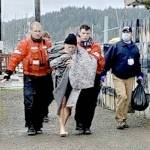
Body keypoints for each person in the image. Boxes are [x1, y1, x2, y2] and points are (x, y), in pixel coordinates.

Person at [3, 21, 54, 135]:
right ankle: (31, 125)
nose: (37, 33)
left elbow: (55, 57)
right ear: (31, 31)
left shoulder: (48, 44)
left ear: (42, 32)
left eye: (39, 31)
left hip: (45, 76)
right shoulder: (24, 44)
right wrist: (8, 72)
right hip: (30, 76)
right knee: (29, 100)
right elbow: (15, 57)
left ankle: (38, 123)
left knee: (46, 99)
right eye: (35, 31)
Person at [49, 33, 98, 137]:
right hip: (61, 82)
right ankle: (62, 128)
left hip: (75, 83)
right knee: (62, 104)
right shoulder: (58, 51)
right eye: (68, 47)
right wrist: (63, 59)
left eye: (73, 47)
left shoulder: (82, 53)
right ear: (65, 45)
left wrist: (74, 64)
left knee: (69, 107)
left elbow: (90, 64)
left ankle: (63, 127)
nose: (71, 49)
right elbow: (51, 63)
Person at [100, 26, 143, 129]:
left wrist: (139, 75)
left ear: (131, 34)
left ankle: (124, 119)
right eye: (124, 32)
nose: (126, 34)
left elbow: (137, 63)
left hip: (130, 77)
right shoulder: (116, 46)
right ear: (121, 33)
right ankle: (119, 119)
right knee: (122, 96)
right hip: (118, 75)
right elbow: (108, 60)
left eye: (128, 32)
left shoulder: (135, 48)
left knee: (127, 99)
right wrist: (103, 74)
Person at [74, 24, 105, 135]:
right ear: (79, 33)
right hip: (81, 77)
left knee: (91, 103)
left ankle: (87, 126)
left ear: (90, 33)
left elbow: (93, 59)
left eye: (87, 33)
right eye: (83, 33)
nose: (86, 35)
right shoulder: (76, 45)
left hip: (94, 77)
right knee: (81, 101)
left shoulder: (95, 46)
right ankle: (79, 123)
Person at [42, 31, 54, 123]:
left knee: (50, 94)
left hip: (49, 73)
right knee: (42, 94)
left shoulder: (52, 48)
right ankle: (44, 113)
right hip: (40, 73)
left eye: (48, 38)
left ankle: (43, 110)